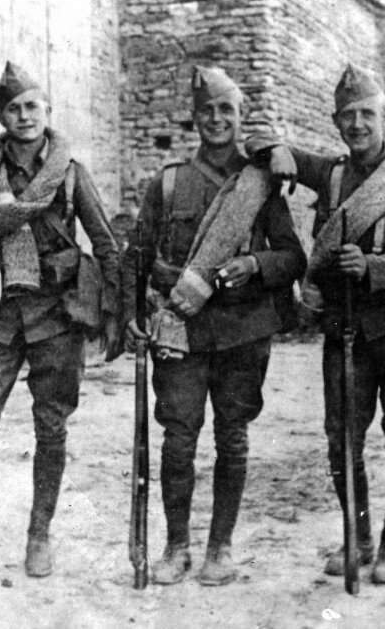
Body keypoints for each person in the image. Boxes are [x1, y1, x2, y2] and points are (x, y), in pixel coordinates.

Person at [0, 62, 121, 590]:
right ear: (2, 116)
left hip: (56, 317)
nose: (24, 116)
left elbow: (104, 243)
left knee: (51, 428)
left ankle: (39, 535)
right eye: (14, 109)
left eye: (32, 106)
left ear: (47, 110)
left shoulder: (71, 172)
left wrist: (117, 311)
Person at [250, 63, 385, 584]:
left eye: (367, 114)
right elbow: (278, 152)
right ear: (336, 122)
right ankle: (357, 538)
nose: (358, 124)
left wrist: (375, 269)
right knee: (342, 443)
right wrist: (267, 152)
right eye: (347, 116)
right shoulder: (333, 174)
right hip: (344, 333)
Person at [122, 66, 306, 587]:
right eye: (208, 111)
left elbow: (294, 257)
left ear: (241, 117)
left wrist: (256, 266)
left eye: (227, 110)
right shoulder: (170, 182)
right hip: (181, 329)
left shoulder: (262, 184)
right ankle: (176, 546)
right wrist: (134, 314)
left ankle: (220, 548)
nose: (218, 119)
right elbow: (136, 257)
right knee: (178, 441)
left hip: (243, 330)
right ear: (194, 119)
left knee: (233, 437)